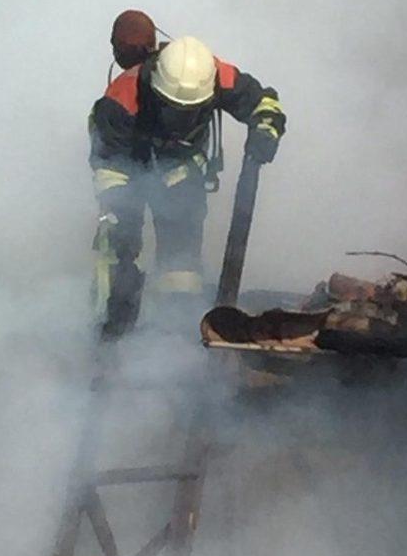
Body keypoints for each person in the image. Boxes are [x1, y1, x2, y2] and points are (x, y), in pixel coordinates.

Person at [89, 35, 286, 337]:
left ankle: (176, 333)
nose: (181, 119)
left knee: (181, 265)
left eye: (190, 111)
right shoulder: (120, 101)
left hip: (179, 172)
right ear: (156, 90)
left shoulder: (215, 75)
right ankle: (107, 337)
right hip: (127, 174)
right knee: (116, 255)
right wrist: (120, 218)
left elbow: (263, 101)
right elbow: (110, 169)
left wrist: (265, 128)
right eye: (172, 109)